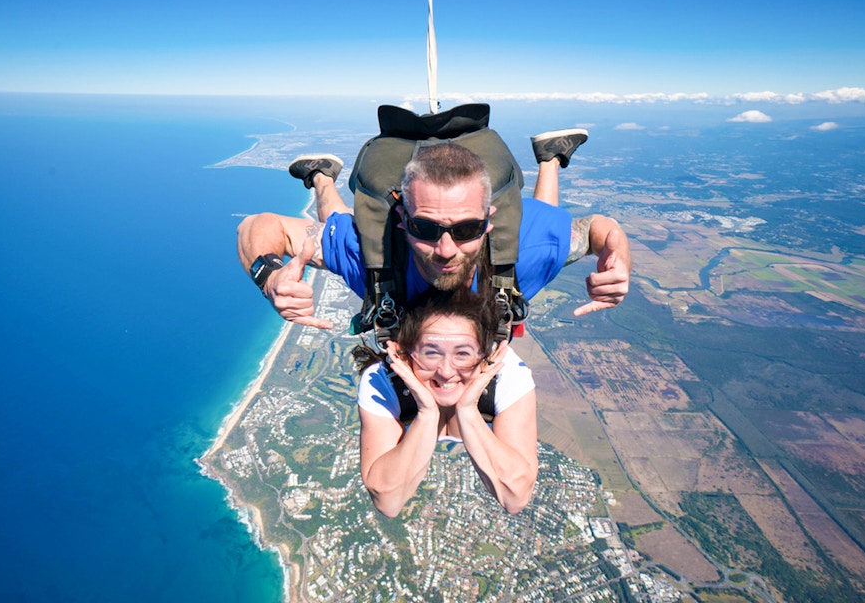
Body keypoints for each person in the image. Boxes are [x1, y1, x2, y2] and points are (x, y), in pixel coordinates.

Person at [237, 131, 630, 329]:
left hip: (518, 241)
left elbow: (600, 230)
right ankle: (322, 178)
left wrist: (618, 255)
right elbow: (259, 227)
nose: (446, 249)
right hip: (383, 248)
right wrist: (269, 276)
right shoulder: (377, 255)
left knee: (542, 220)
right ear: (402, 222)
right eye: (425, 228)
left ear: (489, 222)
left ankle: (550, 158)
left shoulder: (520, 250)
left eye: (468, 229)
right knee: (339, 222)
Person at [354, 288, 537, 516]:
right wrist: (427, 413)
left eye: (462, 354)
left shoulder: (506, 373)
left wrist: (468, 411)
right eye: (431, 353)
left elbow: (516, 497)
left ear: (486, 354)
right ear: (404, 352)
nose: (447, 371)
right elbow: (388, 502)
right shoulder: (383, 380)